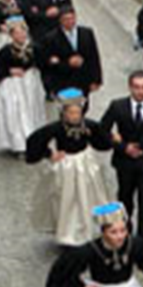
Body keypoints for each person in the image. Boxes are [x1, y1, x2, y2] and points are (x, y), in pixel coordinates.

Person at [25, 89, 112, 246]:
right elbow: (35, 139)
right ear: (64, 113)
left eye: (77, 113)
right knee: (66, 198)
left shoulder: (89, 125)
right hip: (67, 165)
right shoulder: (57, 128)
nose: (75, 116)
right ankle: (67, 231)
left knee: (90, 194)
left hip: (85, 163)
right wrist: (49, 154)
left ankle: (90, 228)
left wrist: (110, 140)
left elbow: (102, 139)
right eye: (71, 113)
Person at [99, 72, 143, 238]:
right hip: (125, 162)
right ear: (130, 87)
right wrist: (122, 146)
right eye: (137, 87)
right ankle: (125, 233)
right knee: (125, 199)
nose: (141, 91)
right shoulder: (118, 106)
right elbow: (102, 130)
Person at [0, 18, 45, 154]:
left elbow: (44, 63)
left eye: (23, 32)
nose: (21, 36)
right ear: (11, 35)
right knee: (14, 111)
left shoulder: (34, 48)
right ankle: (18, 142)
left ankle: (33, 138)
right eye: (17, 33)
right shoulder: (5, 52)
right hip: (12, 85)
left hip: (30, 84)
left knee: (31, 110)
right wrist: (9, 71)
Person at [41, 8, 103, 106]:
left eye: (72, 18)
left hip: (83, 79)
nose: (70, 22)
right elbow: (48, 63)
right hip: (64, 81)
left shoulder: (86, 33)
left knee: (83, 107)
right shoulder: (51, 38)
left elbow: (94, 57)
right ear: (60, 20)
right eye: (66, 19)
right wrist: (67, 63)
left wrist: (96, 80)